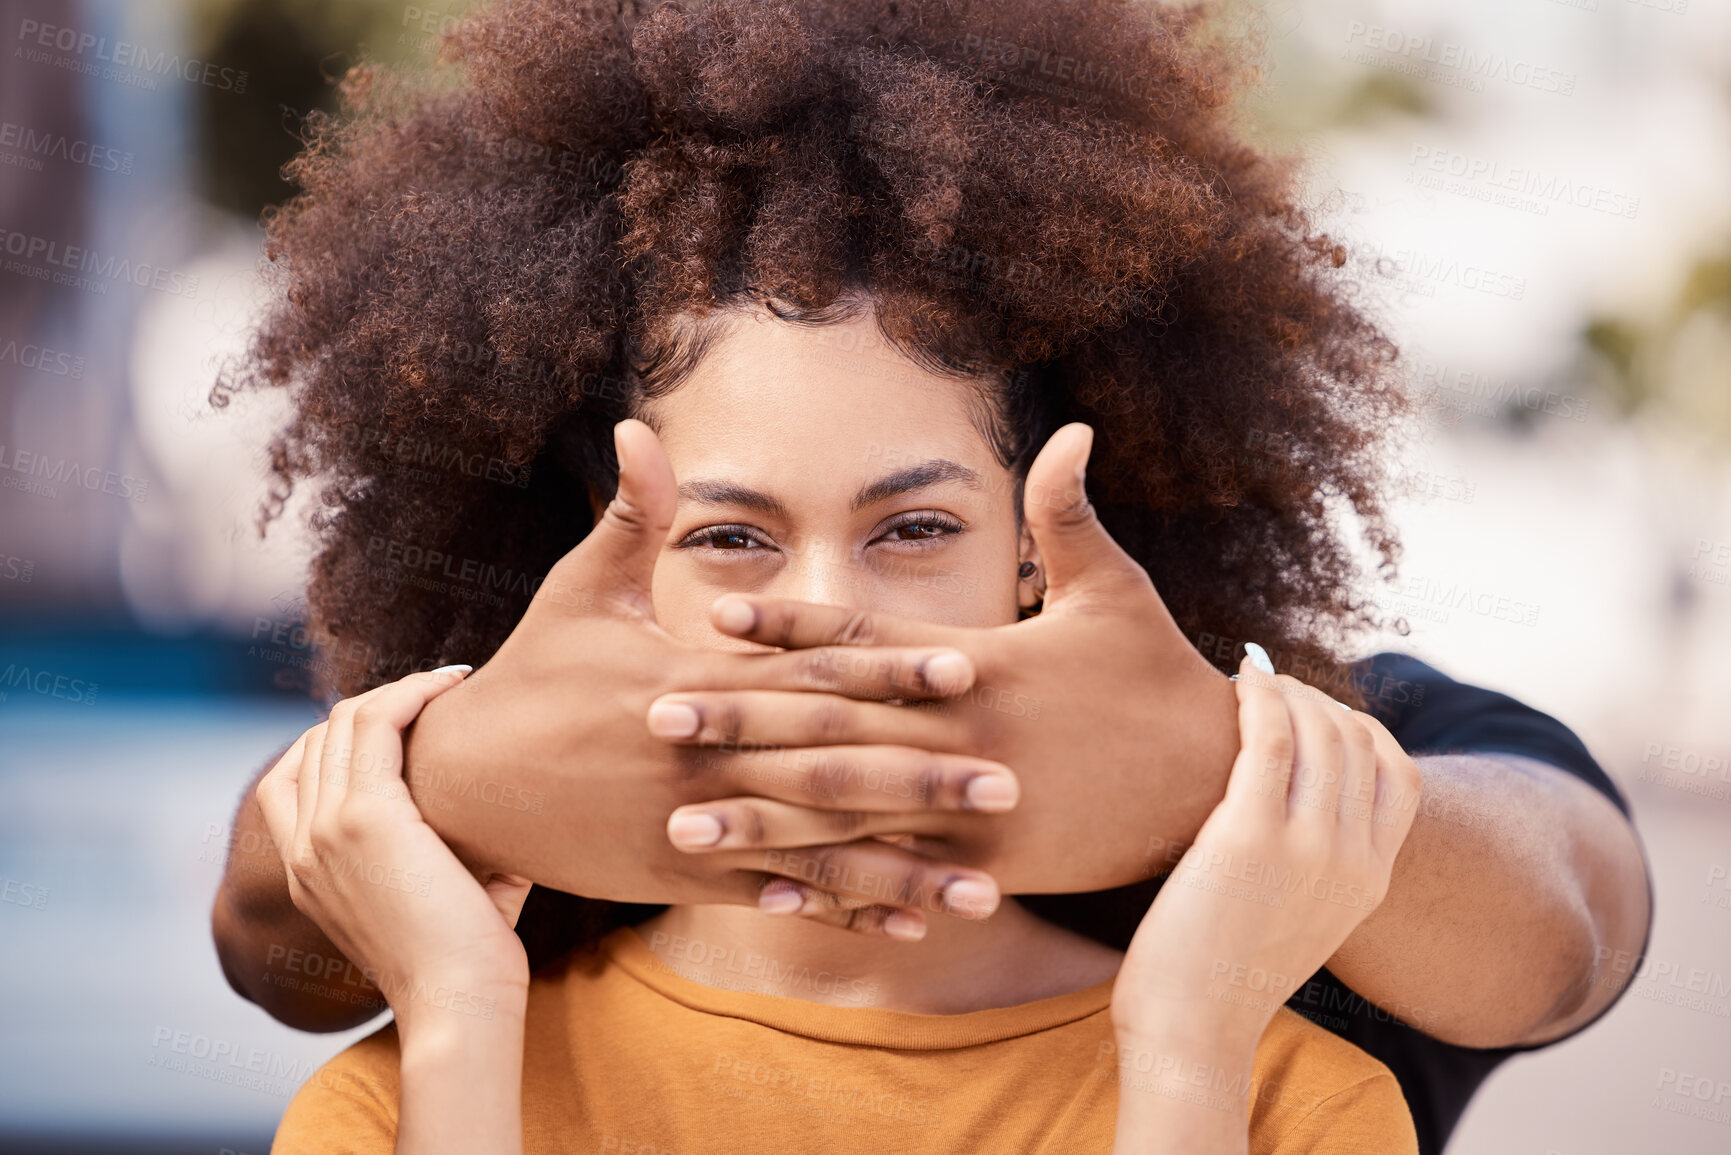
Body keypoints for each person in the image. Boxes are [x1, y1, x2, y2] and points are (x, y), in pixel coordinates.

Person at [206, 0, 1652, 1150]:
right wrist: (453, 784)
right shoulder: (449, 1031)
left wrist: (1208, 774)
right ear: (607, 539)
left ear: (1039, 541)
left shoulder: (1295, 1067)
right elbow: (275, 926)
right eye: (731, 534)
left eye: (912, 527)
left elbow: (1568, 940)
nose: (823, 610)